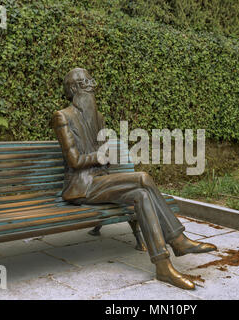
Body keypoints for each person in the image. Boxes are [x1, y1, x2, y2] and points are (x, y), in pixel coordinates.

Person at [52, 68, 217, 290]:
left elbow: (103, 153)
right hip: (82, 187)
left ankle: (163, 267)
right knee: (143, 178)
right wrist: (100, 156)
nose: (91, 86)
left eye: (91, 80)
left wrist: (105, 155)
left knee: (141, 195)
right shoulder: (62, 116)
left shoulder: (97, 117)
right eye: (85, 82)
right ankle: (177, 239)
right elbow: (73, 160)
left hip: (101, 181)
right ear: (74, 89)